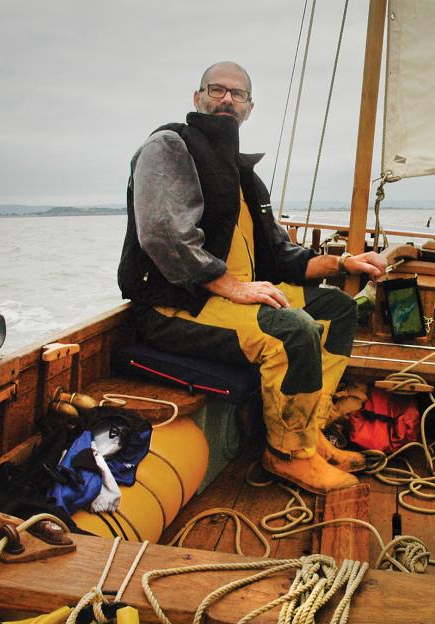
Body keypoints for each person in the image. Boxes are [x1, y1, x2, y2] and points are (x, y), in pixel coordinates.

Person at [117, 61, 388, 494]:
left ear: (249, 107)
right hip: (176, 306)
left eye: (237, 94)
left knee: (336, 308)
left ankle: (309, 432)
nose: (226, 99)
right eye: (217, 90)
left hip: (230, 299)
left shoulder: (245, 177)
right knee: (292, 331)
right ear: (197, 97)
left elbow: (280, 254)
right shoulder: (169, 146)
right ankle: (286, 455)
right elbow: (162, 231)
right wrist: (230, 285)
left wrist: (343, 264)